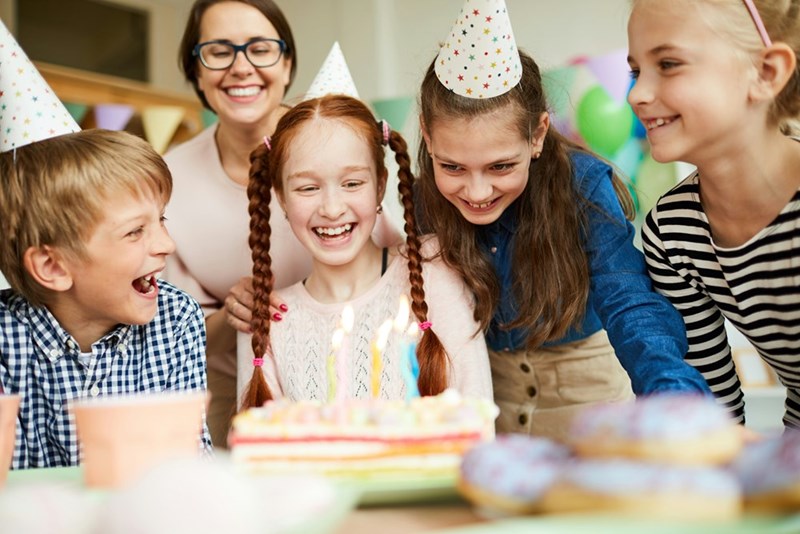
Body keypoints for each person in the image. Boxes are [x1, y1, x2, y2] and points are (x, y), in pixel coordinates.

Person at [415, 0, 711, 442]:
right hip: (490, 396)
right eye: (453, 167)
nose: (476, 193)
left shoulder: (584, 187)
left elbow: (628, 300)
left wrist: (673, 395)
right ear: (426, 134)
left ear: (536, 135)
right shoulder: (425, 200)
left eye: (500, 167)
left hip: (588, 392)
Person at [166, 0, 400, 446]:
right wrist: (231, 318)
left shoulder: (331, 142)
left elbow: (392, 270)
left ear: (287, 62)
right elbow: (171, 337)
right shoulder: (171, 179)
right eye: (218, 51)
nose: (241, 67)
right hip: (238, 394)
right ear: (195, 69)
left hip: (361, 386)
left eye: (260, 48)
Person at [239, 94, 492, 406]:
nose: (332, 209)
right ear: (281, 198)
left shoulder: (432, 270)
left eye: (352, 184)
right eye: (308, 188)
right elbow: (257, 446)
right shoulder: (269, 319)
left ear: (380, 187)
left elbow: (477, 413)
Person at [628, 0, 800, 428]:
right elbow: (712, 413)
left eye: (668, 64)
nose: (636, 94)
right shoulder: (670, 232)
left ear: (766, 73)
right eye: (636, 71)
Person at [0, 129, 213, 468]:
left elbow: (190, 465)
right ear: (53, 266)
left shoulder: (176, 318)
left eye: (161, 219)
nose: (167, 244)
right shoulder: (6, 344)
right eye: (135, 231)